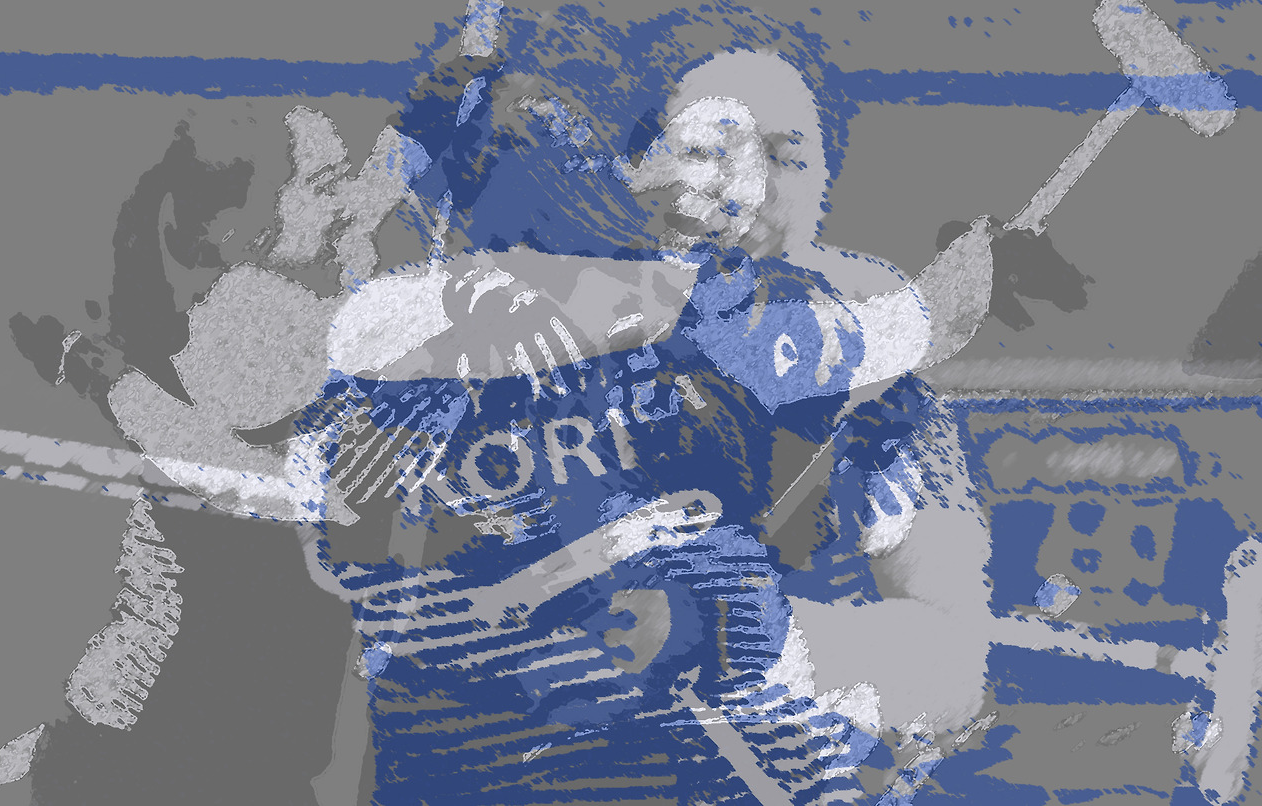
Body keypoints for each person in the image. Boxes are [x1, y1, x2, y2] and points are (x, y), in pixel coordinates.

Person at [106, 40, 994, 804]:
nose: (738, 185)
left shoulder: (874, 396)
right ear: (630, 165)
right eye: (702, 148)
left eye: (782, 156)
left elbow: (955, 670)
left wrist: (759, 641)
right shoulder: (436, 358)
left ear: (826, 185)